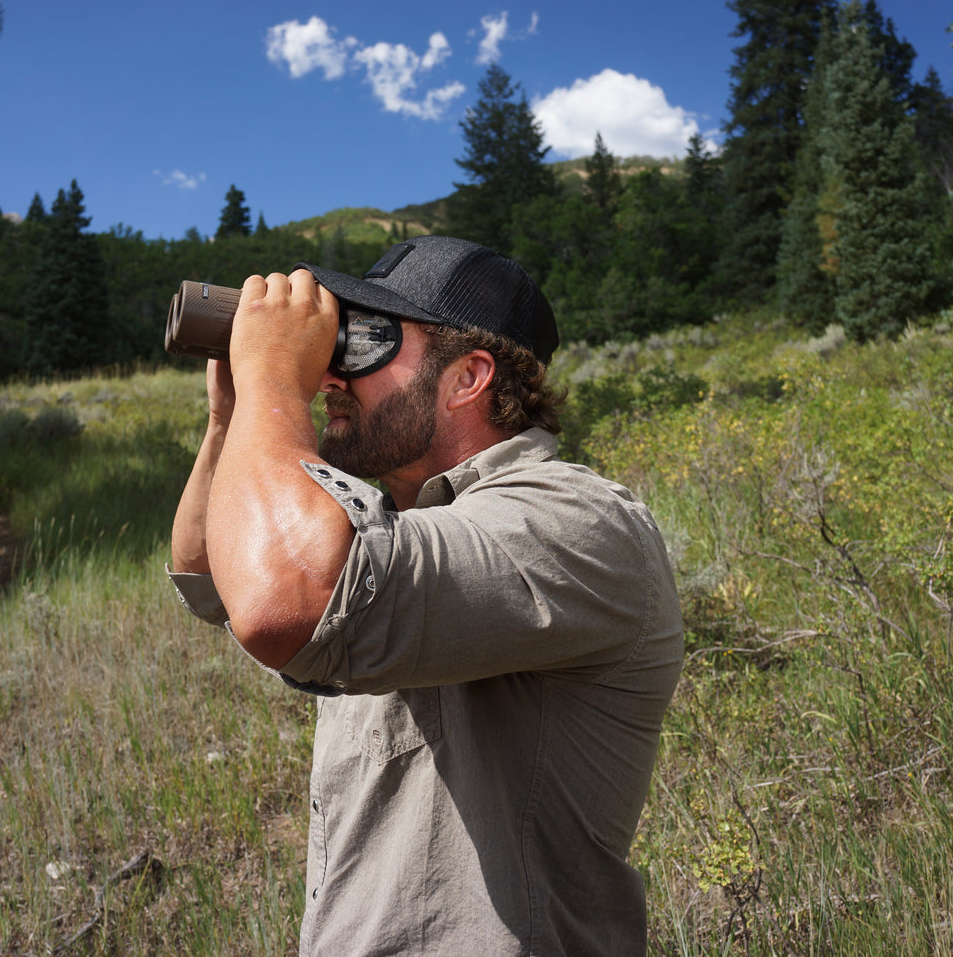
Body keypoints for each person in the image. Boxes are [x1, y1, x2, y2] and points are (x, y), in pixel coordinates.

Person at [168, 235, 684, 955]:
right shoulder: (399, 529)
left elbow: (285, 605)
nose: (330, 377)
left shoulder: (576, 520)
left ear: (468, 376)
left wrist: (274, 387)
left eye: (363, 343)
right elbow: (208, 581)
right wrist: (233, 418)